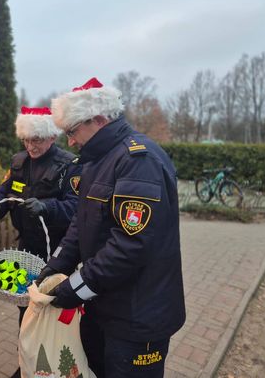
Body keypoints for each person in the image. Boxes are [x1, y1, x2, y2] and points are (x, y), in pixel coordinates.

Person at [37, 77, 186, 377]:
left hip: (138, 317)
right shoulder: (96, 160)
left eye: (72, 132)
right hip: (104, 306)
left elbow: (131, 246)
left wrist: (75, 287)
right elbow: (82, 219)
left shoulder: (138, 160)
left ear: (99, 120)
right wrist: (57, 265)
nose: (71, 142)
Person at [0, 106, 82, 378]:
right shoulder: (18, 162)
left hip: (59, 253)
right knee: (25, 308)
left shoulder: (68, 166)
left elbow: (77, 208)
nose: (30, 146)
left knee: (51, 309)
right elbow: (7, 190)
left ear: (50, 137)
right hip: (27, 249)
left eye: (36, 139)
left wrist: (48, 207)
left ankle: (55, 363)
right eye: (26, 140)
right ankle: (27, 361)